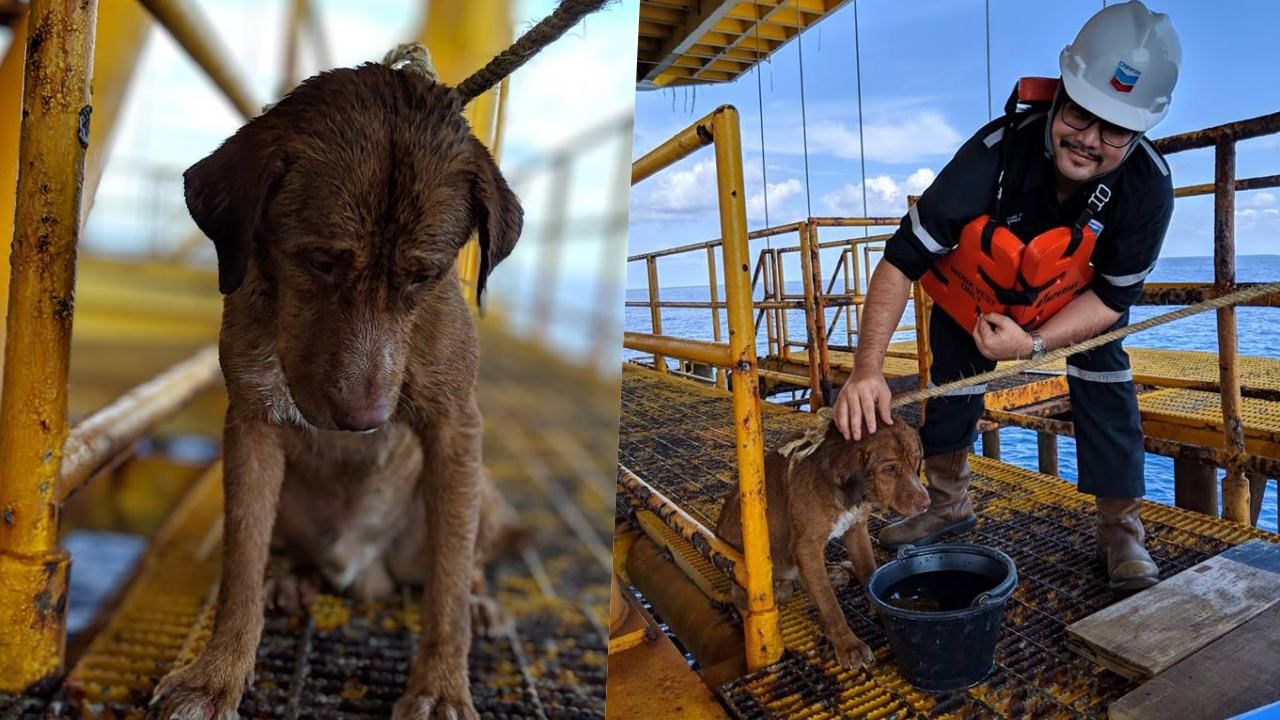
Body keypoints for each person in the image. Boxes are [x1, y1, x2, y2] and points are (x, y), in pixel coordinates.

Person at [832, 0, 1181, 592]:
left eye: (1115, 128)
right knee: (952, 370)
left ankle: (1121, 530)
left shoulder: (1148, 187)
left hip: (1067, 308)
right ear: (1061, 92)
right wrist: (866, 370)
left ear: (1141, 130)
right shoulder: (994, 151)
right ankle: (946, 503)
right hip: (978, 301)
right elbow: (900, 259)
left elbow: (1111, 303)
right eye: (1079, 114)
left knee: (1105, 369)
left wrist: (1035, 342)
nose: (1089, 139)